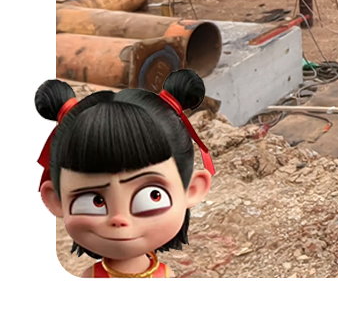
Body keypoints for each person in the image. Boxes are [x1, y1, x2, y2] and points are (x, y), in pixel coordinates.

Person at [35, 69, 215, 279]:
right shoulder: (93, 276)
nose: (119, 220)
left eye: (152, 196)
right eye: (94, 201)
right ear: (55, 200)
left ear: (192, 189)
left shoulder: (164, 274)